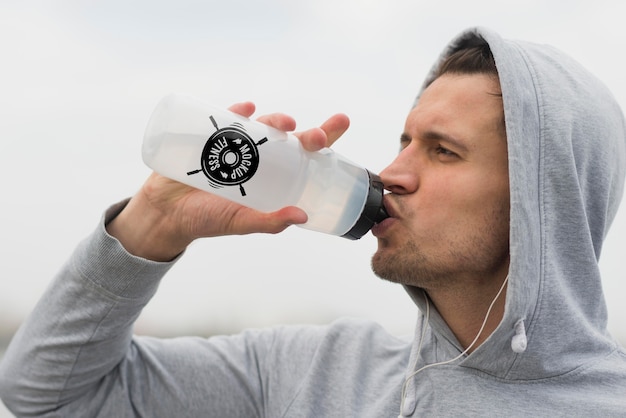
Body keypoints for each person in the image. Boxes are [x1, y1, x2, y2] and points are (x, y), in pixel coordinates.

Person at [1, 26, 625, 417]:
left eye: (443, 151)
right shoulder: (313, 370)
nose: (392, 172)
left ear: (546, 199)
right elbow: (43, 394)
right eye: (403, 142)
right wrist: (153, 226)